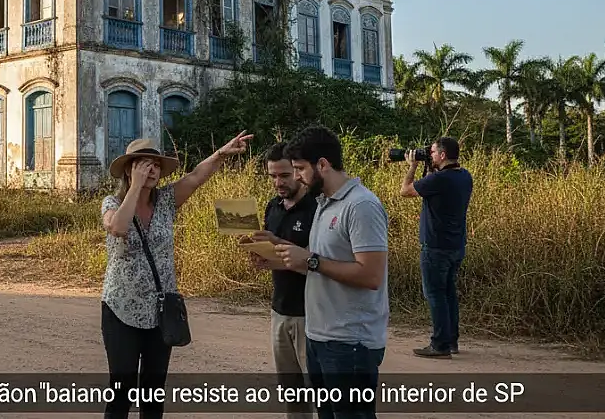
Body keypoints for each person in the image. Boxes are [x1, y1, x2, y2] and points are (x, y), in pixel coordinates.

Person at [100, 131, 252, 419]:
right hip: (120, 309)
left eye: (156, 165)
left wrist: (220, 153)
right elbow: (118, 227)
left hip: (160, 309)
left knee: (154, 390)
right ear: (130, 170)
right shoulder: (111, 202)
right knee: (121, 386)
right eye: (144, 164)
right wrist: (134, 188)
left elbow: (197, 176)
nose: (152, 170)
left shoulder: (167, 201)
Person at [273, 125, 389, 419]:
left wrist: (310, 260)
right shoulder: (324, 204)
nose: (297, 175)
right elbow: (320, 265)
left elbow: (371, 275)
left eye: (300, 168)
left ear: (322, 164)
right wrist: (278, 251)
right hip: (319, 336)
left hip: (350, 343)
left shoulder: (361, 205)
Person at [245, 142, 318, 419]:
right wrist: (264, 259)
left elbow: (321, 262)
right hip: (280, 310)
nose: (278, 182)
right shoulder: (272, 207)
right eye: (273, 176)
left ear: (299, 172)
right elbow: (282, 258)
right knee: (292, 393)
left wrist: (277, 242)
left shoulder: (317, 209)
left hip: (311, 313)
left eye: (285, 175)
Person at [400, 136, 473, 359]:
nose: (429, 155)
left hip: (435, 246)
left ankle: (439, 345)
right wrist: (429, 168)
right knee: (448, 293)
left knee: (435, 294)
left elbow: (405, 191)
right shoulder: (464, 176)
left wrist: (412, 166)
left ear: (442, 155)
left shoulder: (439, 180)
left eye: (432, 153)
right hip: (456, 245)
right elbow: (433, 186)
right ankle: (451, 341)